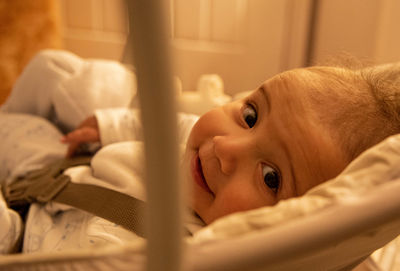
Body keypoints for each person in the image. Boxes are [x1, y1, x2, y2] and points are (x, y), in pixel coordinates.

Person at [1, 50, 399, 254]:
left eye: (270, 178)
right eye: (250, 114)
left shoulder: (202, 252)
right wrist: (108, 125)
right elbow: (172, 124)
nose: (225, 147)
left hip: (25, 231)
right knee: (54, 68)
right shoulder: (207, 157)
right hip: (60, 167)